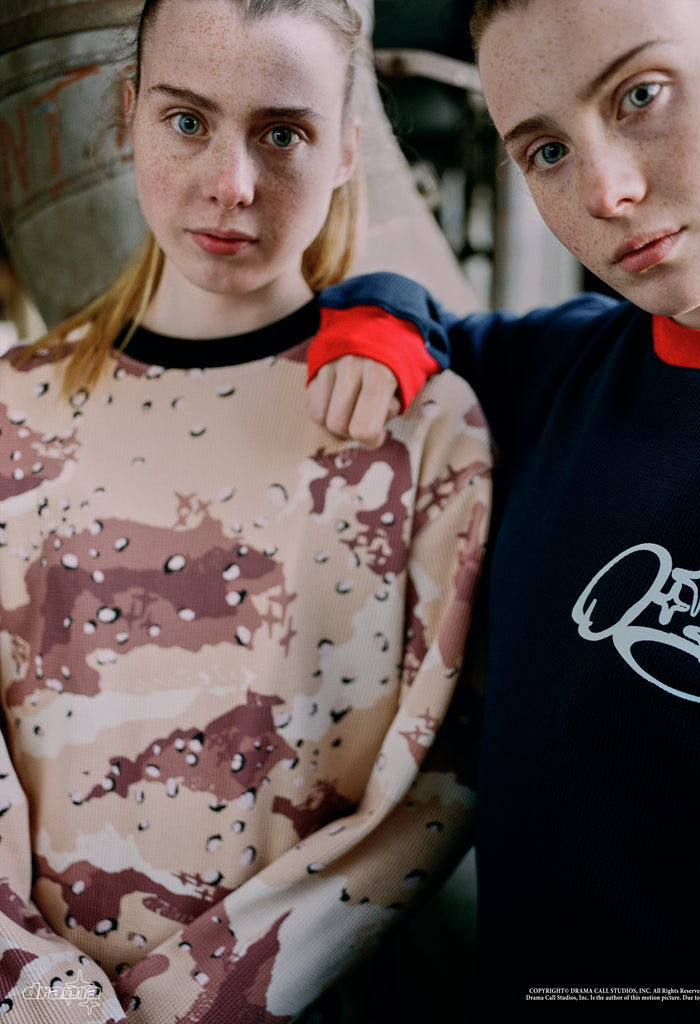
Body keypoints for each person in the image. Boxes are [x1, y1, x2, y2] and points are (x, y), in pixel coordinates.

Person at [306, 0, 700, 1010]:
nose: (606, 191)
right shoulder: (553, 368)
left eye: (641, 95)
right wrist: (380, 320)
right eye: (545, 150)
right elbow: (419, 314)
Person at [0, 2, 492, 1021]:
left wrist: (200, 1004)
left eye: (283, 134)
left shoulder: (423, 431)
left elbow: (437, 774)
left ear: (347, 149)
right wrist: (41, 991)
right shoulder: (13, 411)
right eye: (186, 121)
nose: (231, 183)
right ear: (129, 115)